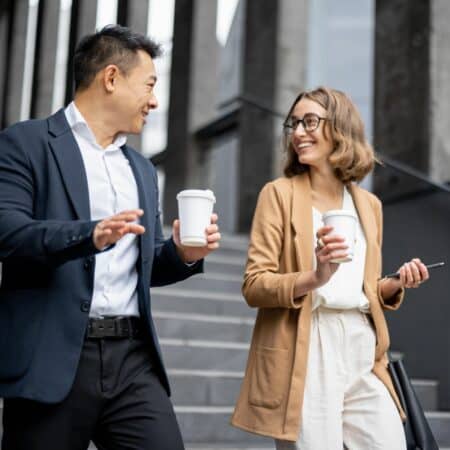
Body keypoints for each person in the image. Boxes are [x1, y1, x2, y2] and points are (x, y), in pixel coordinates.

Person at [0, 25, 221, 450]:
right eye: (150, 85)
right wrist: (89, 235)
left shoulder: (140, 169)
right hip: (53, 357)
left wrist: (182, 254)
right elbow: (8, 234)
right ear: (112, 78)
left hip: (131, 360)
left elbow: (146, 261)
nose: (155, 101)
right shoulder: (24, 144)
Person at [231, 86, 429, 449]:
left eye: (310, 121)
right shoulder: (278, 195)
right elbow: (254, 285)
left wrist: (396, 283)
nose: (298, 132)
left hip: (362, 346)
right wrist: (316, 276)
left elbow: (364, 288)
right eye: (294, 124)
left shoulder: (369, 205)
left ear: (339, 128)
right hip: (307, 342)